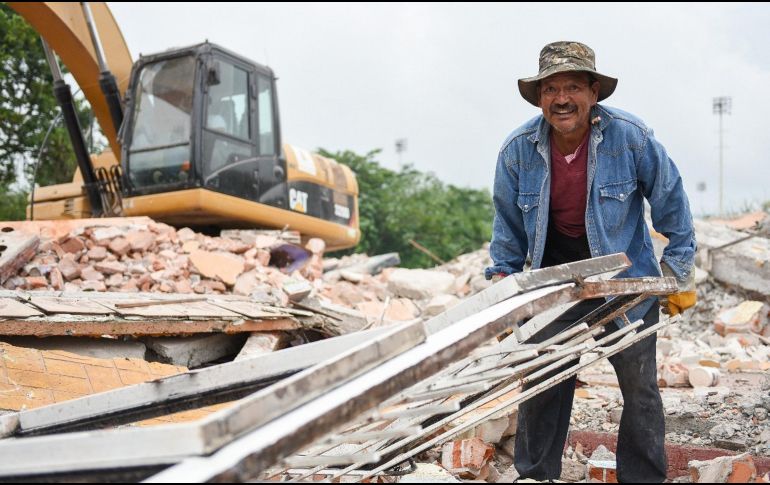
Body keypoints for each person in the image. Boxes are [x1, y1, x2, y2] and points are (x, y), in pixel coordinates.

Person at [484, 41, 697, 483]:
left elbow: (672, 203)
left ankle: (642, 478)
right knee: (543, 380)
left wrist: (678, 272)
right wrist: (504, 288)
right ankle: (535, 476)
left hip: (625, 280)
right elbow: (507, 231)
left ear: (593, 92)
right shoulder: (517, 151)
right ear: (539, 96)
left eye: (573, 87)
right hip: (554, 282)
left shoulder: (631, 138)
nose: (561, 99)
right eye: (550, 89)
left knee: (640, 388)